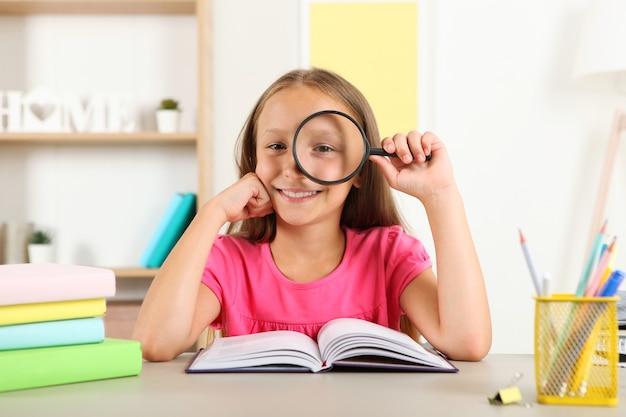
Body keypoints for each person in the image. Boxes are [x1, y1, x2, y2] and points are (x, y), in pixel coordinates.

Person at [133, 68, 492, 362]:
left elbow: (468, 342)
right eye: (275, 146)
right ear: (252, 161)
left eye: (323, 147)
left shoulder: (388, 254)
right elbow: (154, 342)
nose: (293, 166)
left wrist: (441, 195)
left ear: (360, 171)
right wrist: (212, 213)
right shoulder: (229, 261)